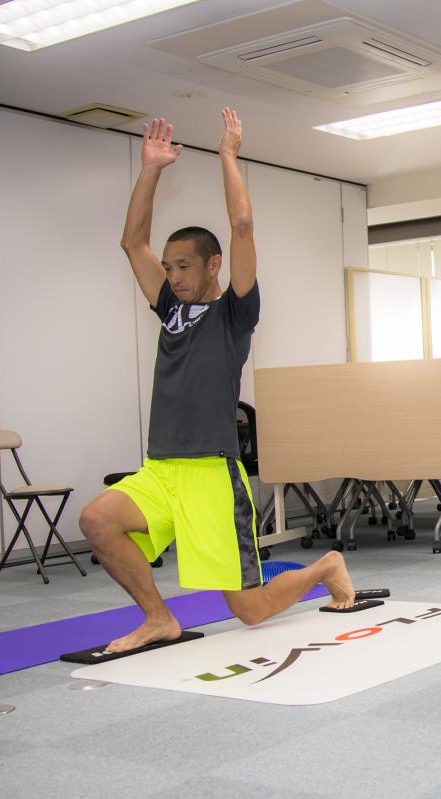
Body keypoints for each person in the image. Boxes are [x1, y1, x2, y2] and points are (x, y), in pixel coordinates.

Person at [80, 108, 354, 654]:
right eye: (170, 267)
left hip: (211, 473)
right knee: (97, 520)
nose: (174, 276)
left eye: (185, 266)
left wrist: (227, 155)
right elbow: (132, 243)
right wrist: (151, 169)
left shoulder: (235, 314)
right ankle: (158, 619)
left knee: (249, 612)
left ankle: (325, 567)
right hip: (162, 468)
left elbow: (244, 225)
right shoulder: (168, 309)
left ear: (213, 266)